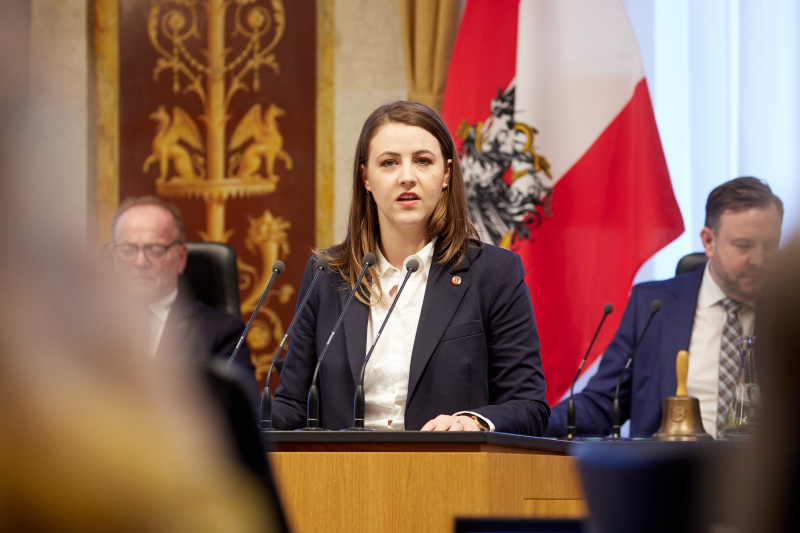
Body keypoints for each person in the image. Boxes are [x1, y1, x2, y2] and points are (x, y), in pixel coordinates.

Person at [270, 101, 549, 435]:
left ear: (446, 174)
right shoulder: (327, 275)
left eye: (422, 161)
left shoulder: (494, 273)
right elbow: (293, 406)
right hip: (342, 478)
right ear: (366, 178)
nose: (406, 177)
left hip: (448, 475)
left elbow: (529, 406)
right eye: (388, 163)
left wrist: (471, 422)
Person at [546, 176, 783, 439]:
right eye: (744, 246)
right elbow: (603, 402)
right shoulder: (653, 306)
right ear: (709, 242)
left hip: (761, 476)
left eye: (770, 246)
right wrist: (532, 422)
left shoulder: (789, 312)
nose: (760, 260)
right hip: (667, 472)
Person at [109, 196, 260, 408]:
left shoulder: (221, 333)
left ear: (181, 257)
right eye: (127, 249)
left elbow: (239, 416)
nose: (140, 262)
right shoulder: (85, 329)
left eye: (154, 249)